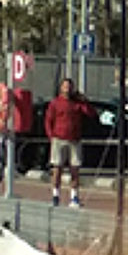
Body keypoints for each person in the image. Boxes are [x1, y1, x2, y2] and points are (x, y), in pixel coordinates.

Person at [42, 78, 95, 207]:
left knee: (75, 169)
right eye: (65, 86)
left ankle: (74, 196)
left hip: (74, 140)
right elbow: (48, 120)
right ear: (61, 88)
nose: (67, 89)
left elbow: (91, 113)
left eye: (69, 87)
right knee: (57, 169)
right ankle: (55, 195)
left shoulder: (77, 103)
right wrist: (51, 136)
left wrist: (84, 101)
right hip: (59, 139)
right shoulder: (55, 103)